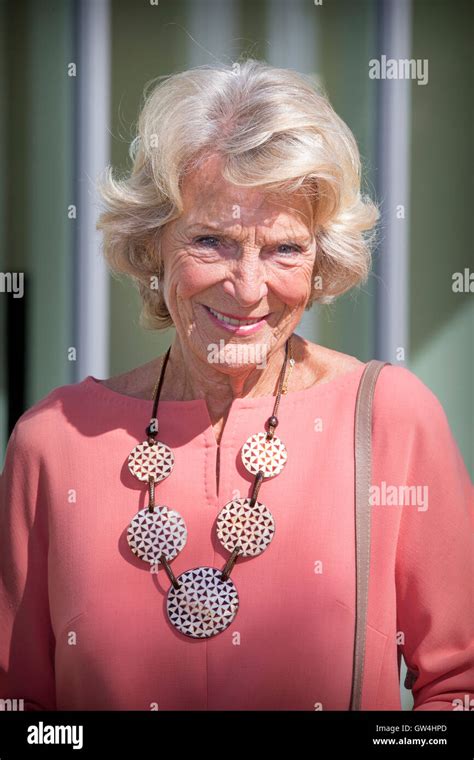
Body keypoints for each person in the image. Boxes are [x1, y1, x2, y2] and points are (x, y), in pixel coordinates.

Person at [0, 59, 472, 711]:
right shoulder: (52, 443)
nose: (249, 289)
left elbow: (460, 686)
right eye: (212, 241)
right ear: (152, 243)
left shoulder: (391, 419)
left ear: (322, 259)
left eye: (284, 249)